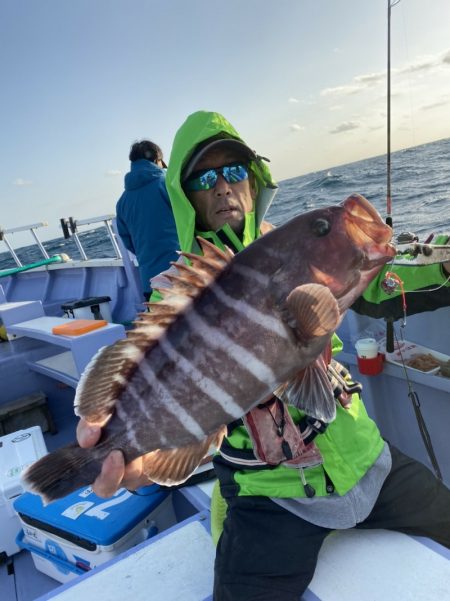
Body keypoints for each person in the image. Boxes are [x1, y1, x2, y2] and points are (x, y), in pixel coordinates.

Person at [79, 111, 450, 600]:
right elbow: (153, 365)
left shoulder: (292, 248)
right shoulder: (177, 296)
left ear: (254, 182)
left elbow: (393, 276)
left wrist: (443, 256)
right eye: (204, 178)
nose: (223, 188)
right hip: (269, 496)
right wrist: (137, 445)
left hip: (367, 460)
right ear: (185, 198)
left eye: (234, 172)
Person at [115, 139, 179, 300]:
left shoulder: (122, 203)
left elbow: (129, 243)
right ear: (157, 159)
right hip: (181, 273)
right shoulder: (168, 184)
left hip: (150, 283)